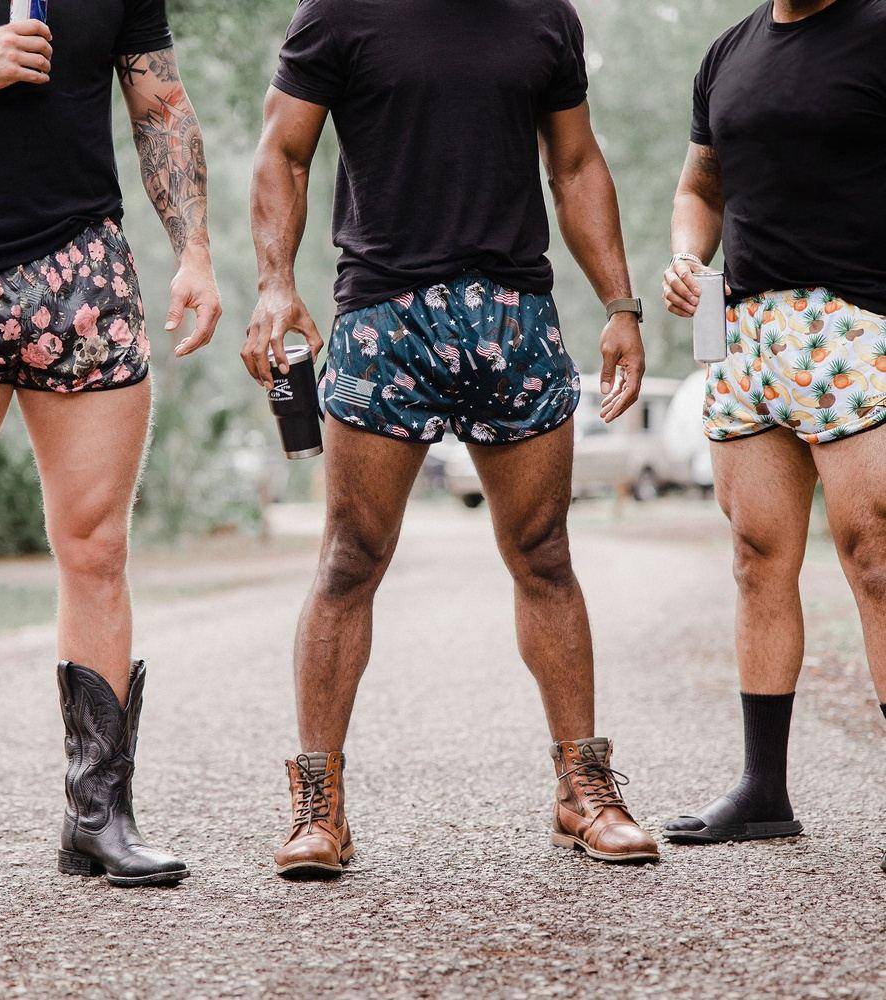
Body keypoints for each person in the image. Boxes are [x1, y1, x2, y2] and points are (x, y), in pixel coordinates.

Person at [248, 0, 656, 879]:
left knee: (545, 553)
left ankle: (582, 789)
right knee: (350, 558)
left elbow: (576, 163)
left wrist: (620, 304)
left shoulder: (545, 15)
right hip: (384, 314)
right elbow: (284, 150)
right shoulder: (338, 12)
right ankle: (320, 807)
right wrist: (275, 284)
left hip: (515, 312)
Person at [0, 1, 221, 902]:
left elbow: (161, 107)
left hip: (86, 277)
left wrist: (194, 252)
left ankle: (99, 813)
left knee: (97, 545)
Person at [662, 0, 886, 866]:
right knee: (757, 557)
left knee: (875, 557)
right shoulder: (729, 53)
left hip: (857, 327)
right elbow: (699, 188)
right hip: (747, 332)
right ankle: (764, 792)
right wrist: (689, 257)